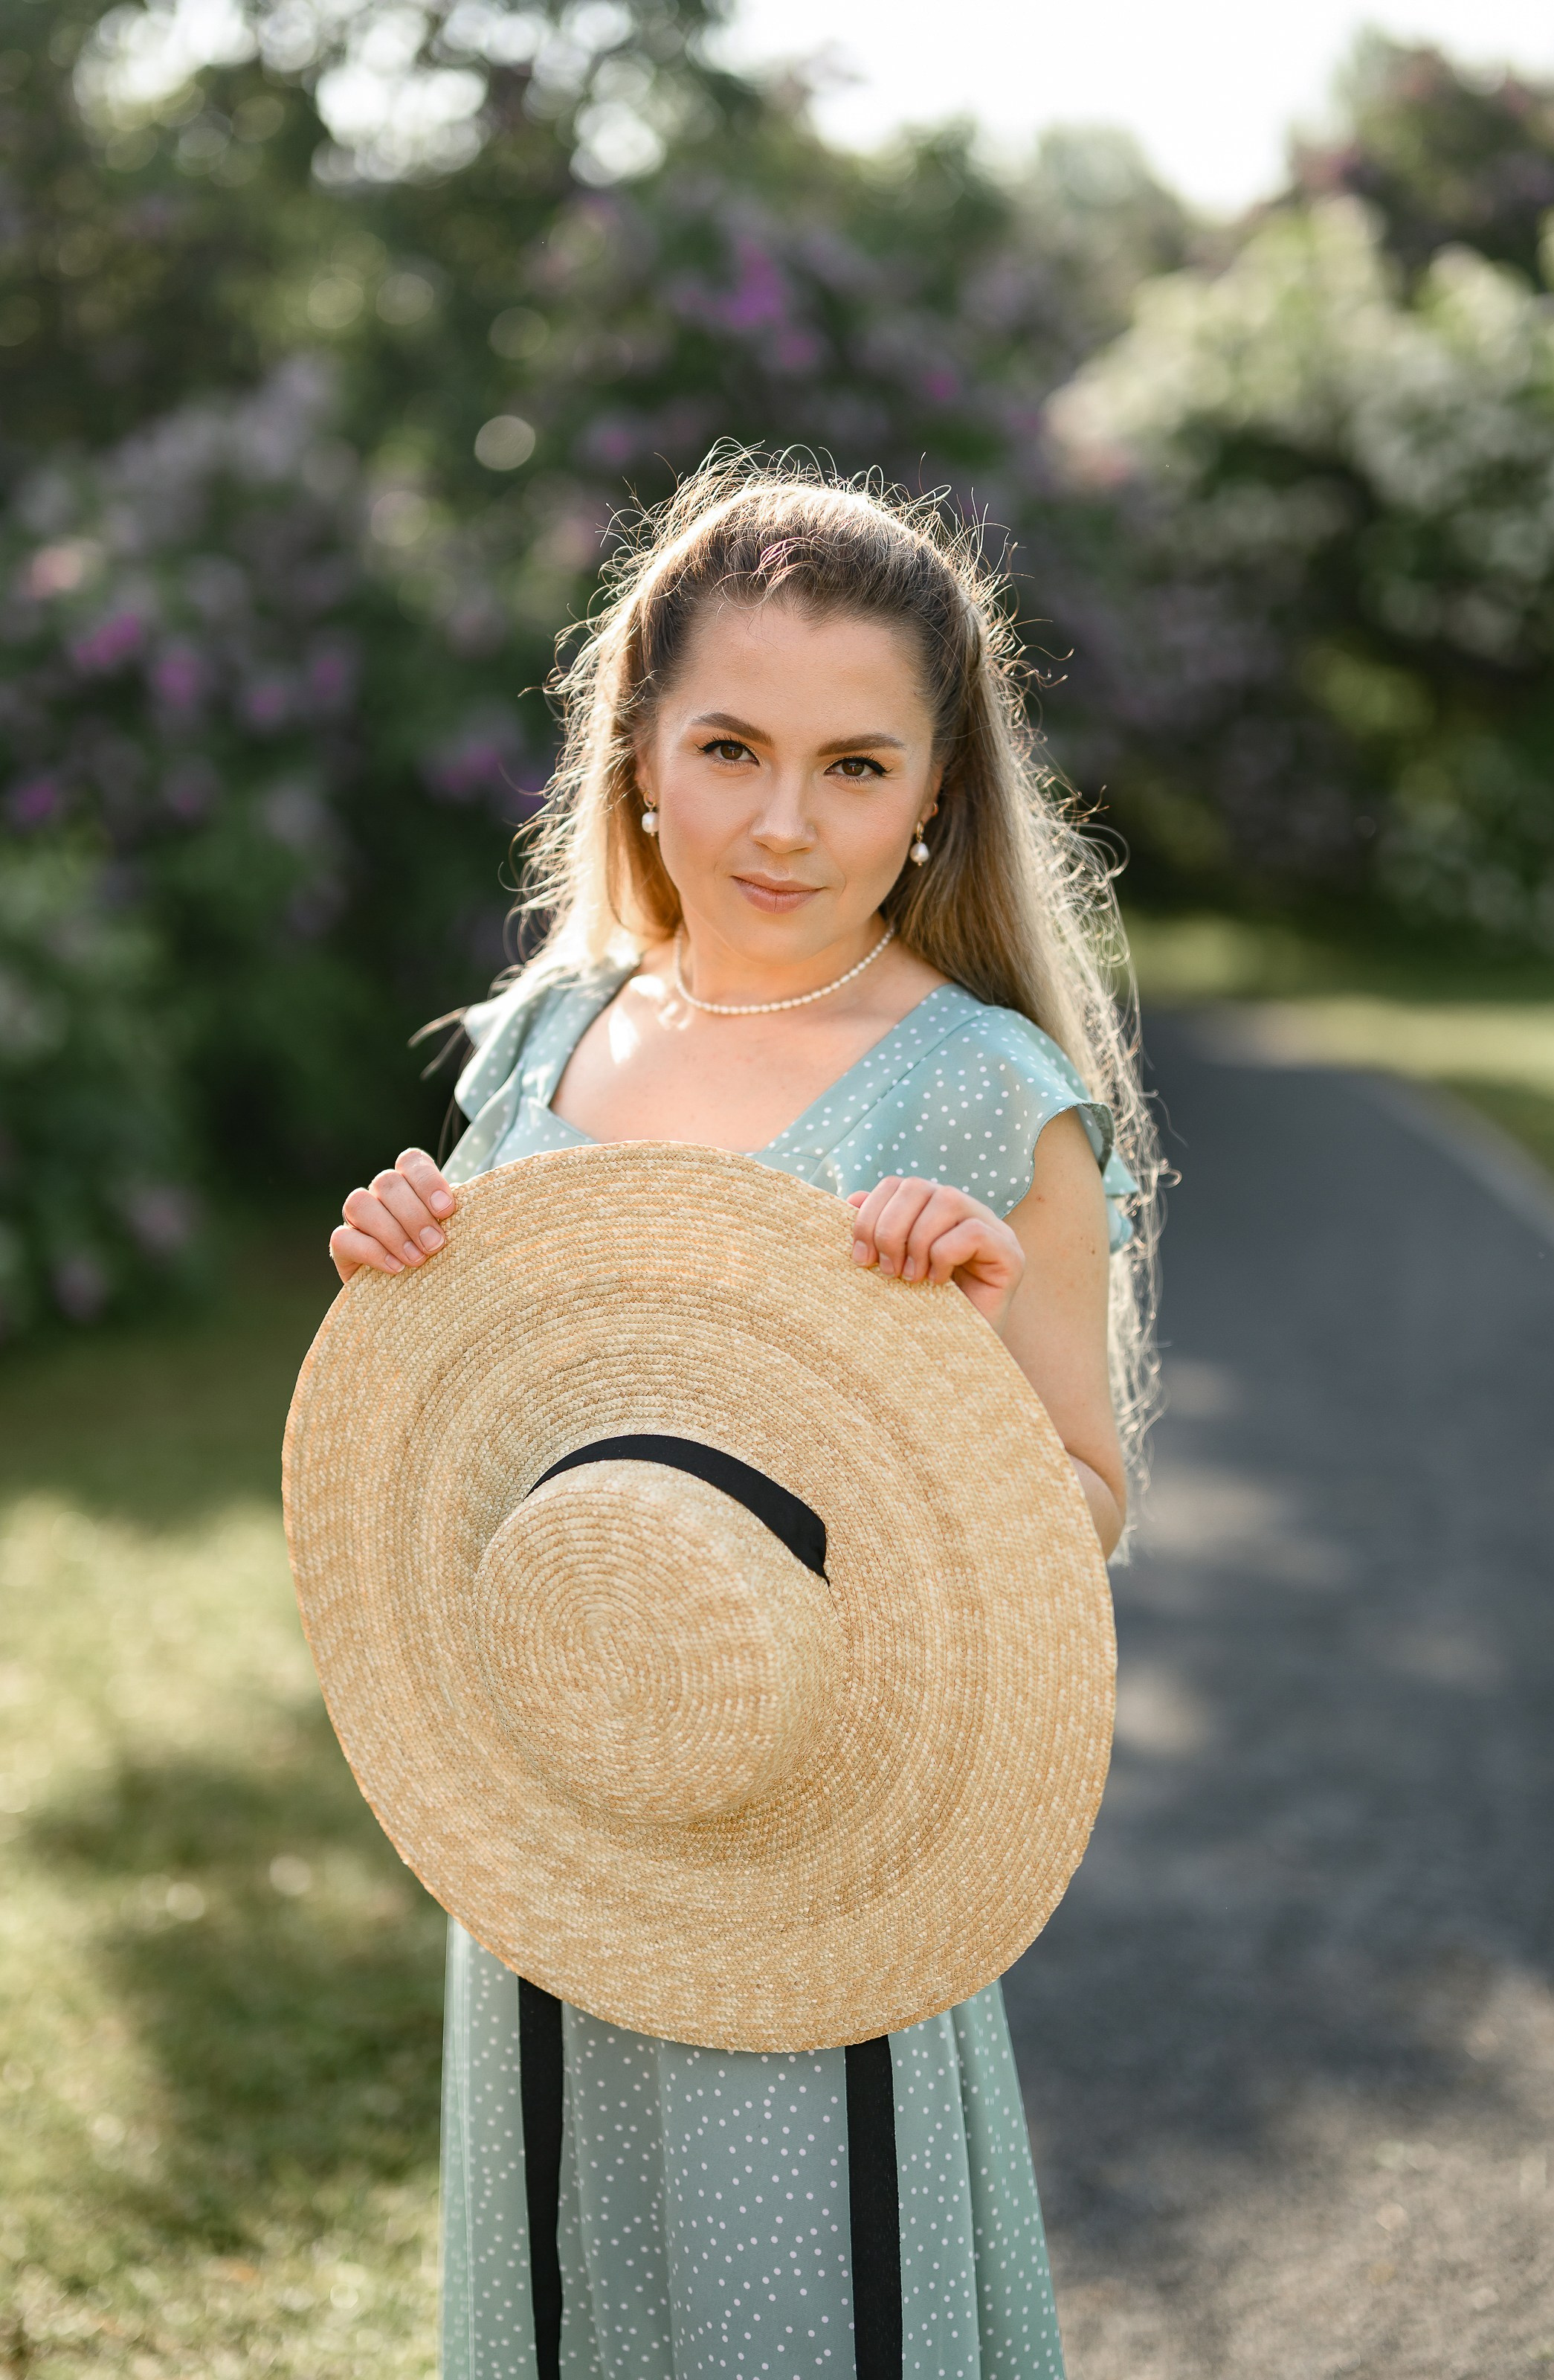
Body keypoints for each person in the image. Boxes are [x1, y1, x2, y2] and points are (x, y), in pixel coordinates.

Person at [329, 454, 1158, 2380]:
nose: (784, 823)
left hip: (815, 1828)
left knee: (797, 2303)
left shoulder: (979, 1092)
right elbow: (480, 1435)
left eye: (855, 767)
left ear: (936, 792)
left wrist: (957, 1373)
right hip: (554, 1805)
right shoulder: (551, 1037)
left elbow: (1085, 1504)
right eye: (729, 749)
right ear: (637, 749)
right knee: (573, 2288)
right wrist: (398, 1280)